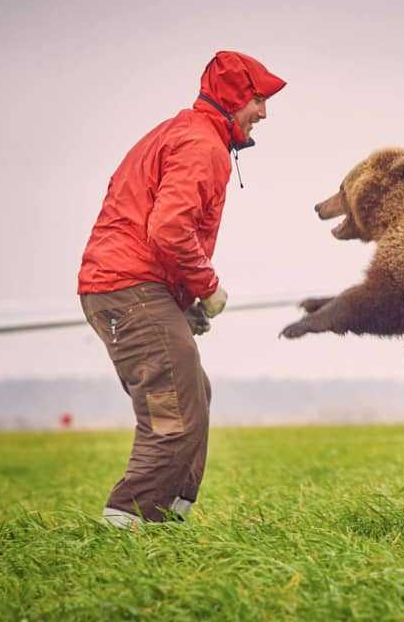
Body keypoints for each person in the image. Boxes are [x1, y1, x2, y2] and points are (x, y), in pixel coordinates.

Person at [77, 51, 286, 526]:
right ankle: (123, 529)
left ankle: (169, 517)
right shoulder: (202, 144)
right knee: (173, 413)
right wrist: (207, 288)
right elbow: (169, 229)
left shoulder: (186, 134)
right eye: (257, 99)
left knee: (193, 393)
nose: (264, 112)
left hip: (131, 286)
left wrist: (181, 302)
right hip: (129, 287)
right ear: (233, 98)